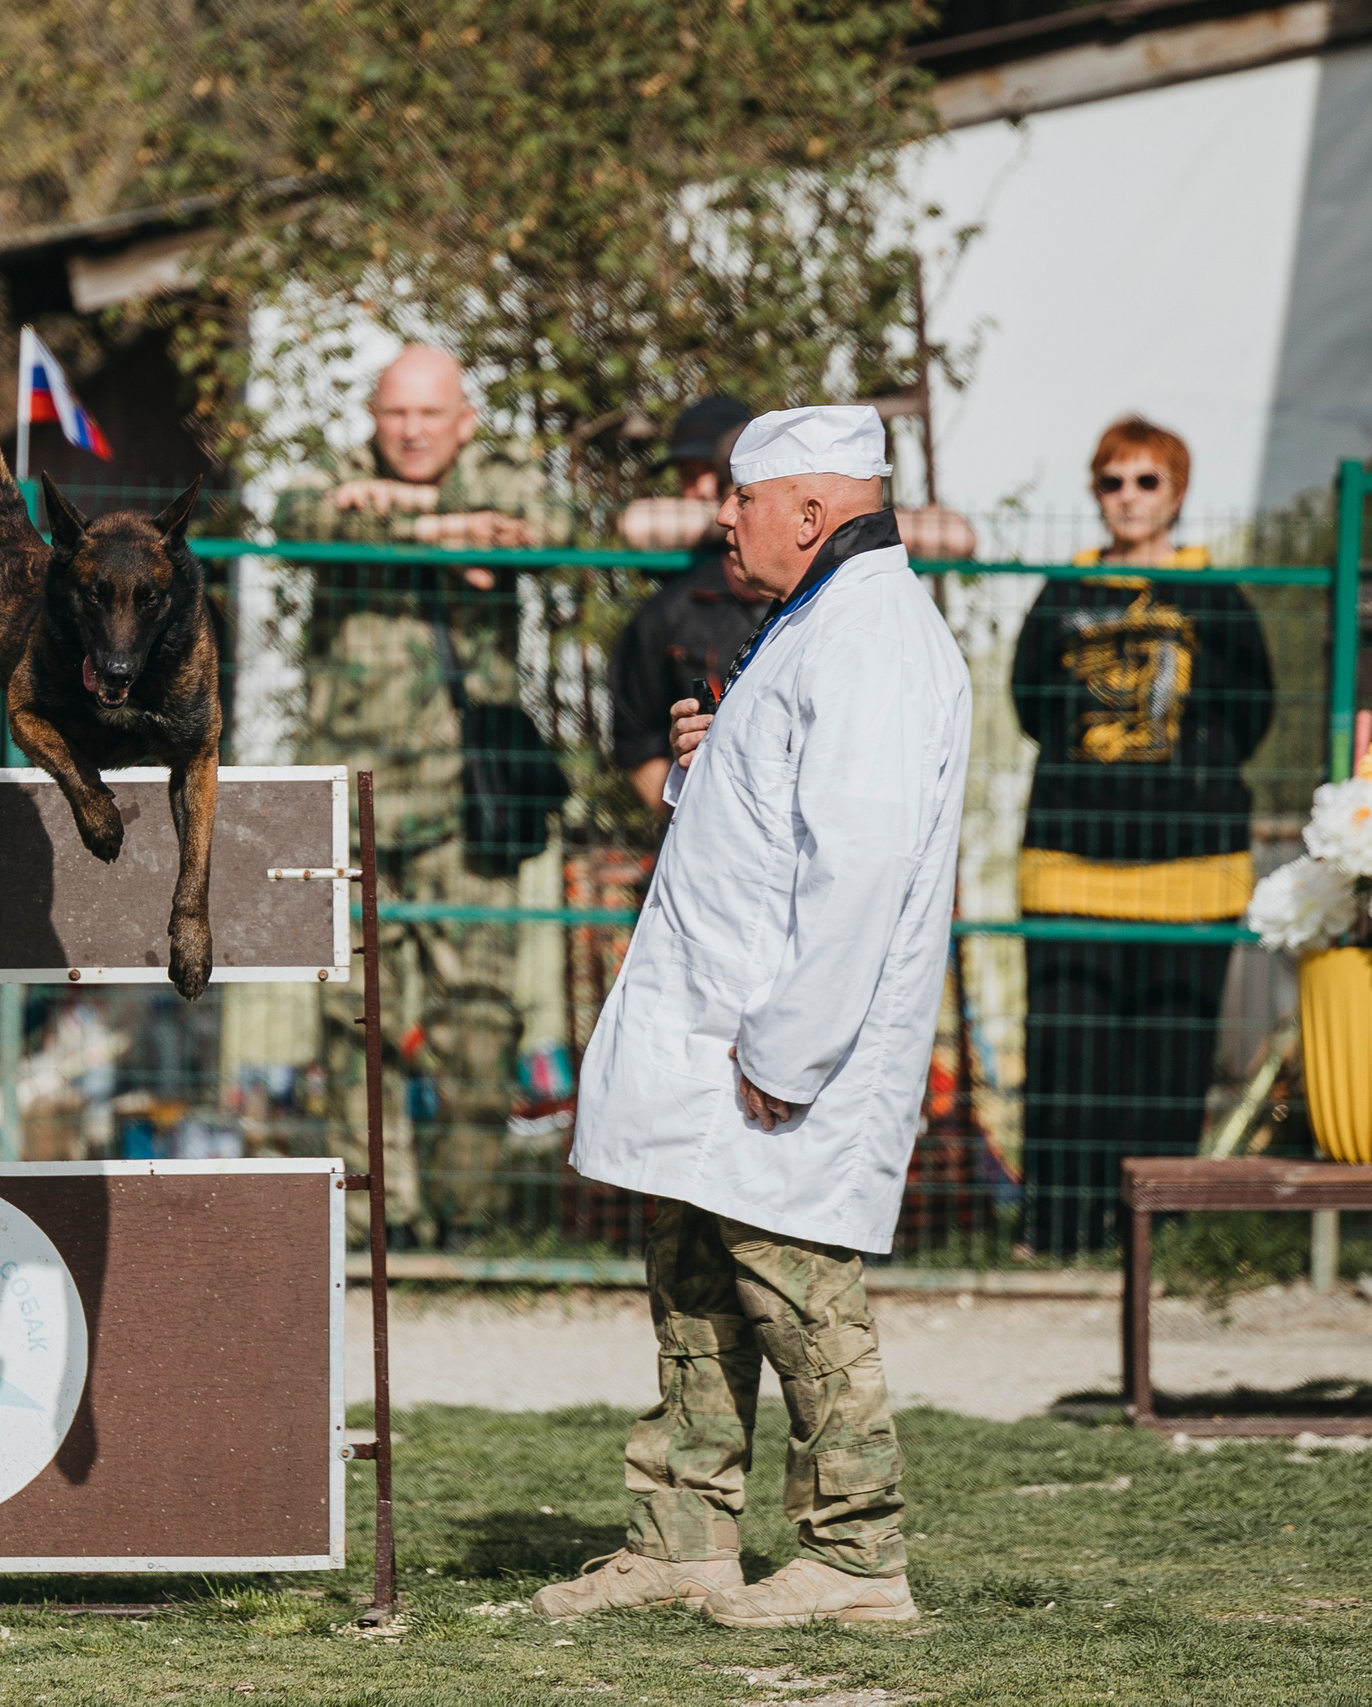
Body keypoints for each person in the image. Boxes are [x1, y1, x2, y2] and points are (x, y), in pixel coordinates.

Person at [542, 406, 970, 1628]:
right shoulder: (815, 620)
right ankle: (680, 1536)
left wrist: (794, 1046)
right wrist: (702, 755)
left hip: (779, 1039)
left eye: (739, 497)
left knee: (795, 1288)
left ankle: (856, 1558)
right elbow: (777, 803)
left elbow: (862, 863)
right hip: (722, 1029)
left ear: (808, 512)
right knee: (690, 1273)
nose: (719, 516)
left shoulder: (873, 640)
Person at [272, 346, 575, 1243]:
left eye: (429, 416)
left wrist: (405, 514)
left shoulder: (505, 474)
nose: (409, 432)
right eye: (395, 415)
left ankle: (471, 1220)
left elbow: (552, 525)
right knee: (352, 1016)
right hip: (348, 796)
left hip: (462, 806)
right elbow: (297, 523)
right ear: (375, 417)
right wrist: (450, 526)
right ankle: (378, 1216)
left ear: (464, 420)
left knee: (476, 1016)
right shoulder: (339, 475)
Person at [1011, 417, 1274, 1260]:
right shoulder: (1061, 592)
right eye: (1112, 482)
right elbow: (1028, 702)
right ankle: (1058, 1231)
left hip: (1191, 871)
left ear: (1178, 492)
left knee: (1169, 1056)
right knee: (1067, 1055)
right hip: (1070, 868)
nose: (1128, 498)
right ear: (1095, 494)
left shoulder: (1216, 594)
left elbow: (1253, 709)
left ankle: (1154, 1237)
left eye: (1146, 481)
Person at [609, 395, 769, 816]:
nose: (697, 492)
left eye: (711, 474)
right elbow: (636, 738)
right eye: (688, 477)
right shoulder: (668, 609)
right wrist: (691, 818)